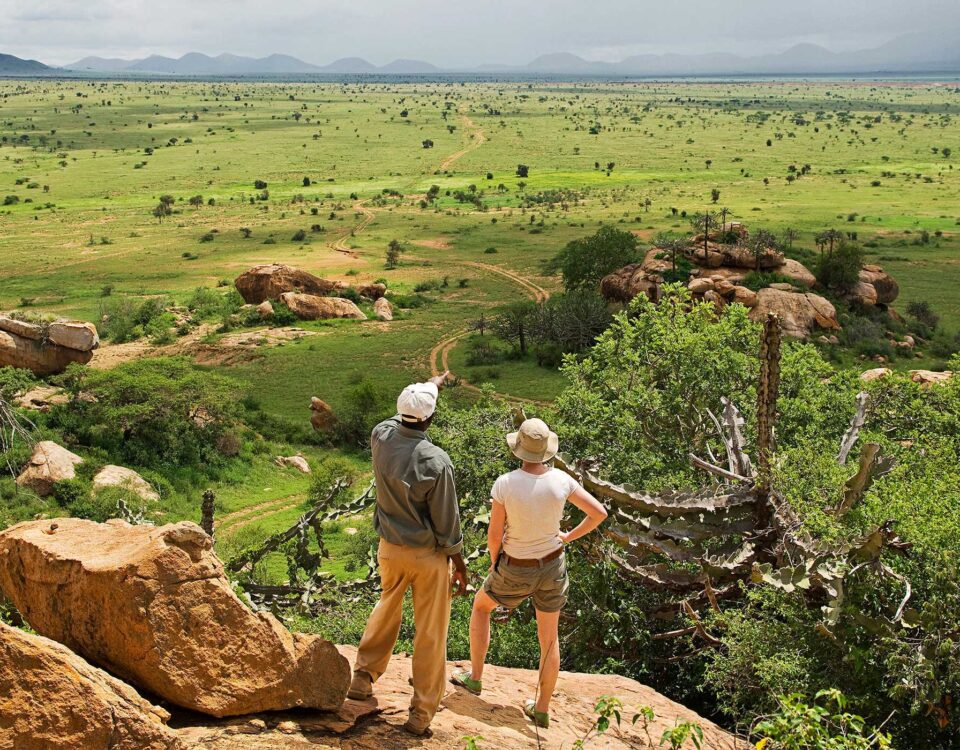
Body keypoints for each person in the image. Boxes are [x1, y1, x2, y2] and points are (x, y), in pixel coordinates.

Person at [451, 417, 607, 730]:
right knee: (549, 638)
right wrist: (567, 537)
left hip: (515, 564)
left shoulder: (506, 483)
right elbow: (599, 513)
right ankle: (542, 709)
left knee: (481, 607)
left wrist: (497, 565)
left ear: (519, 449)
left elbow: (494, 536)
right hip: (552, 564)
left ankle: (476, 678)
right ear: (547, 450)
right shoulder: (562, 481)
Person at [347, 371, 468, 737]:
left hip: (390, 548)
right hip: (428, 556)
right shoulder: (436, 461)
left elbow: (401, 415)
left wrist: (432, 384)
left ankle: (363, 677)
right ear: (431, 418)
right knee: (430, 631)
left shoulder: (380, 437)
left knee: (387, 607)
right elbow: (447, 522)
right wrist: (459, 563)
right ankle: (420, 713)